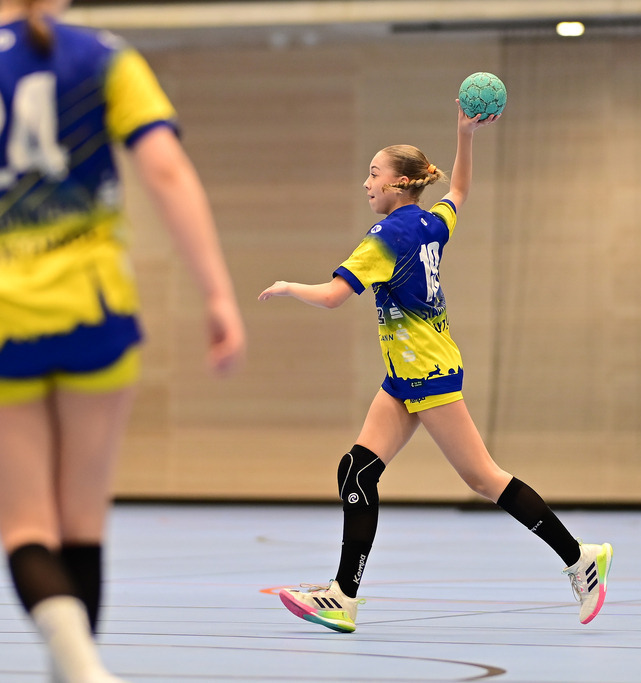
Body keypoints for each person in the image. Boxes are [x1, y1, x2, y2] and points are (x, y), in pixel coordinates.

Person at [0, 1, 245, 680]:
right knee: (83, 520)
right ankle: (83, 669)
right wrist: (216, 293)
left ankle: (79, 667)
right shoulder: (102, 56)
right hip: (93, 310)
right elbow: (166, 169)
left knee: (26, 528)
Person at [258, 101, 612, 633]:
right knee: (357, 470)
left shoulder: (386, 238)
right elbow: (460, 191)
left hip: (426, 373)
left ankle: (580, 557)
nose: (366, 183)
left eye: (374, 174)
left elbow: (333, 297)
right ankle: (342, 596)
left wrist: (288, 286)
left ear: (400, 183)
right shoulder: (430, 223)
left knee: (484, 477)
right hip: (406, 375)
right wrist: (464, 134)